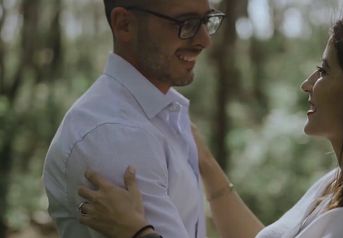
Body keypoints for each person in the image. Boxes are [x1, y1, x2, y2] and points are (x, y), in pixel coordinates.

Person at [76, 9, 343, 238]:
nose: (307, 83)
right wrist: (207, 165)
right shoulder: (337, 182)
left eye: (324, 71)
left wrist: (137, 232)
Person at [42, 0, 225, 237]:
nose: (205, 41)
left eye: (206, 22)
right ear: (125, 24)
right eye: (186, 23)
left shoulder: (164, 115)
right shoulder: (116, 135)